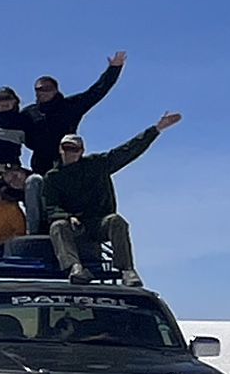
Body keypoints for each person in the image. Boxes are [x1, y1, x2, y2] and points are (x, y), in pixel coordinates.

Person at [43, 111, 181, 286]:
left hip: (100, 223)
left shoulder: (97, 165)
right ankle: (75, 268)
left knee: (116, 221)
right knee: (58, 226)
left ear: (81, 151)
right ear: (60, 149)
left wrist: (156, 129)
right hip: (75, 226)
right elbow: (51, 206)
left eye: (74, 149)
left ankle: (127, 270)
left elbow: (127, 151)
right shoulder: (53, 177)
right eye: (66, 148)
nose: (69, 152)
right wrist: (66, 216)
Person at [24, 51, 128, 173]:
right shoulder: (29, 113)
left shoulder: (70, 106)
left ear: (56, 90)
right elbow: (10, 126)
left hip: (67, 162)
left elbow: (96, 92)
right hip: (41, 166)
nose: (43, 92)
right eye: (39, 89)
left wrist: (114, 69)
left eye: (47, 89)